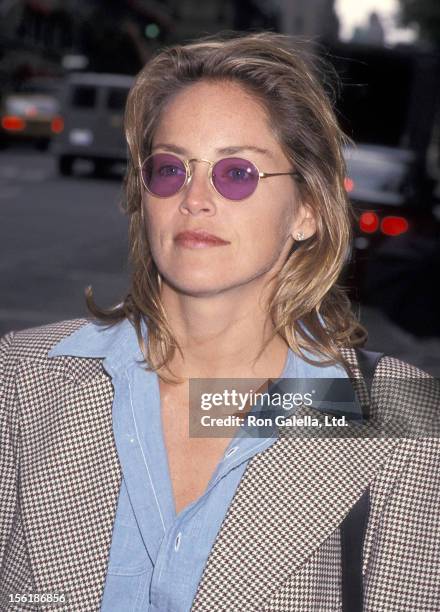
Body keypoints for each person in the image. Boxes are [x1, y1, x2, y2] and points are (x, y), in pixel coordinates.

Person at [0, 32, 438, 612]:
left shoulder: (398, 412)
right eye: (169, 169)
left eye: (236, 174)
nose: (195, 199)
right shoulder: (21, 379)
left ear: (307, 209)